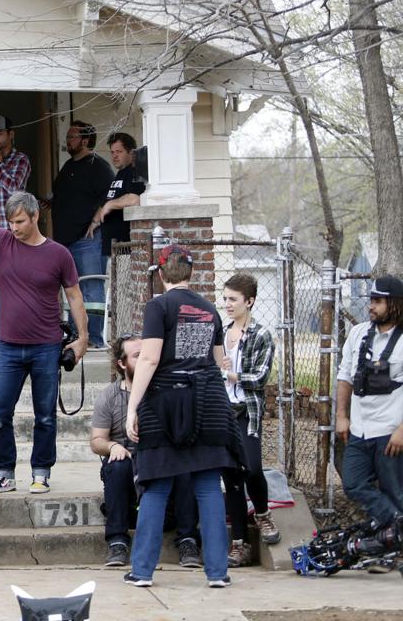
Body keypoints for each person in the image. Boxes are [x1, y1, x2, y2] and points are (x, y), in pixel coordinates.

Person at [0, 191, 88, 494]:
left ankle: (40, 472)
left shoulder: (58, 254)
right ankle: (5, 473)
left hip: (46, 346)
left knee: (45, 415)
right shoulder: (2, 241)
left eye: (20, 222)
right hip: (9, 347)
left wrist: (83, 340)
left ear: (35, 217)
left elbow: (75, 296)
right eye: (10, 222)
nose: (14, 228)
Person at [124, 244, 239, 589]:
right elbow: (220, 360)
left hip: (165, 403)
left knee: (157, 485)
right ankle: (217, 572)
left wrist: (133, 406)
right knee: (207, 485)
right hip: (209, 400)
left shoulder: (157, 306)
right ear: (192, 273)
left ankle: (142, 571)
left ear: (160, 275)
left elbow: (149, 358)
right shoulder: (210, 310)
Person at [90, 334, 201, 569]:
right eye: (137, 356)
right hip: (128, 463)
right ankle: (117, 542)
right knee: (117, 467)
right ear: (122, 363)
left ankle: (188, 540)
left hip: (162, 461)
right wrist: (113, 446)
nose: (144, 360)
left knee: (185, 467)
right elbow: (97, 440)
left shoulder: (166, 391)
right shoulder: (109, 396)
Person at [335, 275, 403, 540]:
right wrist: (342, 416)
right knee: (352, 483)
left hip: (390, 430)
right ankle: (396, 524)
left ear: (394, 304)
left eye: (378, 301)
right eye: (371, 300)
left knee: (394, 491)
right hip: (360, 429)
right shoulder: (358, 333)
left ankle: (389, 552)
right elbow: (344, 377)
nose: (371, 306)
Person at [218, 273, 280, 567]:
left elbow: (260, 377)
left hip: (247, 412)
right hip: (222, 411)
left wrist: (230, 374)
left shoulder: (261, 335)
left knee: (252, 469)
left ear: (249, 301)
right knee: (230, 477)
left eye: (233, 299)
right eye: (225, 298)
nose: (227, 304)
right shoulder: (221, 333)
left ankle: (263, 513)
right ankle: (239, 543)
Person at [51, 120, 114, 348]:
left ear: (85, 140)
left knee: (91, 287)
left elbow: (111, 196)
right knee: (73, 289)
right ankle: (78, 337)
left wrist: (97, 219)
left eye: (72, 137)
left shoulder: (98, 166)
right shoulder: (69, 166)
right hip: (66, 241)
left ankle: (94, 339)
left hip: (88, 240)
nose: (67, 141)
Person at [0, 115, 32, 326]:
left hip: (13, 234)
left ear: (11, 134)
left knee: (14, 286)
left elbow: (15, 189)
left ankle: (16, 333)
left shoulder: (21, 160)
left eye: (0, 133)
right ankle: (3, 336)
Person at [89, 132, 145, 259]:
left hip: (124, 248)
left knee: (121, 280)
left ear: (131, 152)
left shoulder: (135, 172)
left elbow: (135, 199)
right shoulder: (120, 174)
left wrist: (111, 204)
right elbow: (108, 200)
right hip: (113, 249)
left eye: (119, 152)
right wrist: (95, 222)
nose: (114, 156)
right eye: (112, 152)